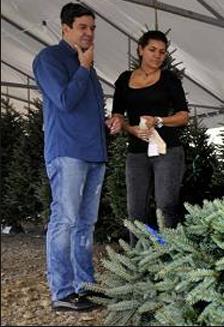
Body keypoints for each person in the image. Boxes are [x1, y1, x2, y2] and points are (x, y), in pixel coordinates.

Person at [32, 3, 122, 312]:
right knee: (66, 220)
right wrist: (83, 68)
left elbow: (84, 111)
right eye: (83, 27)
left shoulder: (89, 65)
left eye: (93, 28)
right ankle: (62, 292)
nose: (89, 33)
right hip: (67, 153)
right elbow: (64, 101)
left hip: (94, 153)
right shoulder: (49, 59)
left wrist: (107, 124)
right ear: (65, 28)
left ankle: (85, 287)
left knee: (86, 223)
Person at [110, 30, 189, 245]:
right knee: (135, 210)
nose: (157, 55)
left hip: (167, 150)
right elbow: (117, 114)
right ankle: (138, 261)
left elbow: (184, 115)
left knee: (166, 207)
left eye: (162, 52)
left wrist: (160, 120)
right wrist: (129, 128)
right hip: (136, 153)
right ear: (140, 49)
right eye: (152, 50)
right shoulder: (125, 79)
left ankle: (171, 257)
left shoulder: (170, 79)